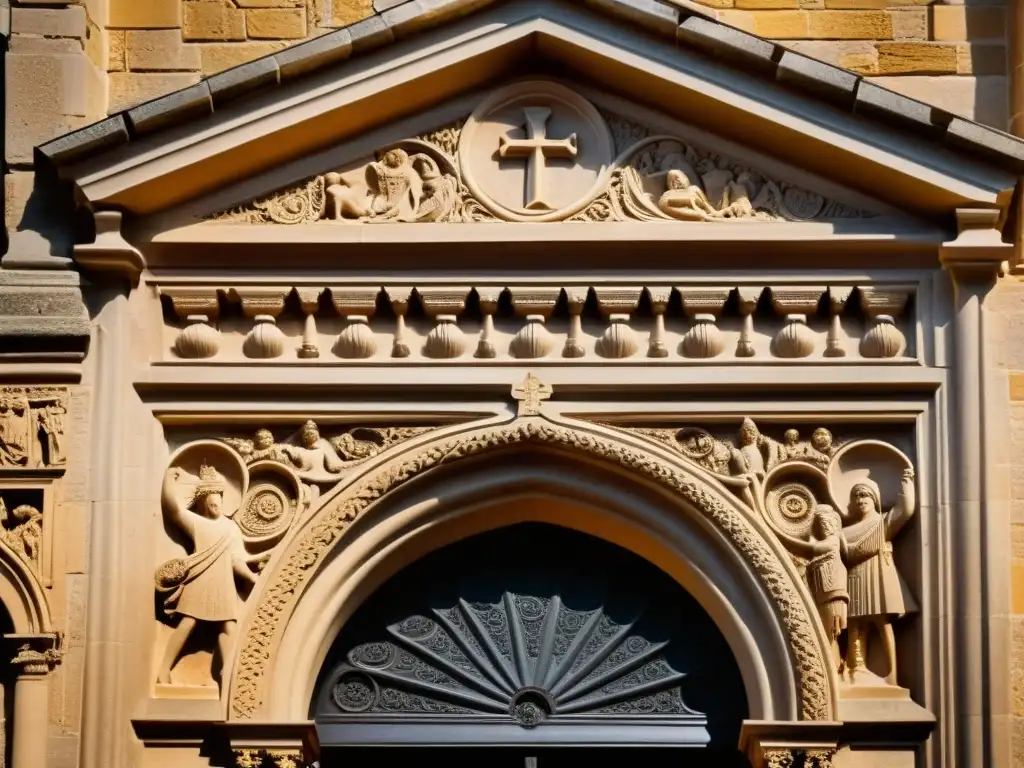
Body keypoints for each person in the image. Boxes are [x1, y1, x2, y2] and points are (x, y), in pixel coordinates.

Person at [155, 464, 265, 686]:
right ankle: (164, 669)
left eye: (219, 500)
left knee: (228, 625)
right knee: (188, 621)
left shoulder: (230, 527)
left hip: (223, 581)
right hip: (201, 578)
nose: (217, 505)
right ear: (205, 502)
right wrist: (169, 479)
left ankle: (228, 671)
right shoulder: (198, 523)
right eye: (212, 501)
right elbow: (173, 509)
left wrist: (253, 576)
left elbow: (237, 558)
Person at [839, 468, 916, 685]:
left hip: (877, 575)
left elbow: (906, 509)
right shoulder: (846, 532)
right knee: (854, 623)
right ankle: (856, 668)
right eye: (856, 496)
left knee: (882, 621)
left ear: (874, 498)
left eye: (864, 495)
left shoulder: (883, 523)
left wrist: (906, 483)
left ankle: (892, 674)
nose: (860, 499)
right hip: (854, 577)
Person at [771, 505, 849, 670]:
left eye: (828, 523)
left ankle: (833, 667)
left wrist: (780, 535)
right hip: (824, 593)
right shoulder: (827, 541)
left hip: (832, 593)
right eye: (822, 524)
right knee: (826, 631)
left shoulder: (833, 541)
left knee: (830, 631)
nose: (825, 527)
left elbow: (809, 548)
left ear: (835, 524)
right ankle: (832, 665)